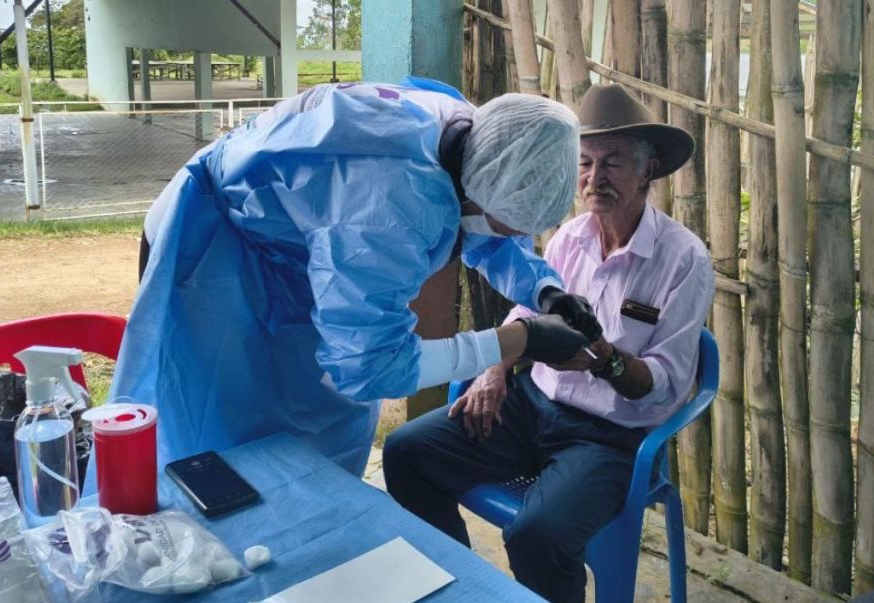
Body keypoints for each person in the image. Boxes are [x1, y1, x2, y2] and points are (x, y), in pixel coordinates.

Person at [91, 77, 602, 492]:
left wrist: (545, 290)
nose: (513, 237)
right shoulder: (389, 209)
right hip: (216, 245)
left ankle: (308, 521)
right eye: (513, 225)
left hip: (295, 240)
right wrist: (518, 340)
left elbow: (482, 227)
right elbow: (369, 368)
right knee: (224, 422)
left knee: (320, 416)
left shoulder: (480, 139)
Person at [383, 83, 715, 603]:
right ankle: (463, 602)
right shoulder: (569, 236)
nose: (594, 178)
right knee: (406, 453)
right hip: (531, 406)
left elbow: (666, 385)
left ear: (647, 170)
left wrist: (603, 358)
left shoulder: (683, 260)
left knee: (537, 535)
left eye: (612, 162)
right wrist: (495, 370)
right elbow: (526, 311)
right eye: (583, 163)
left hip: (609, 438)